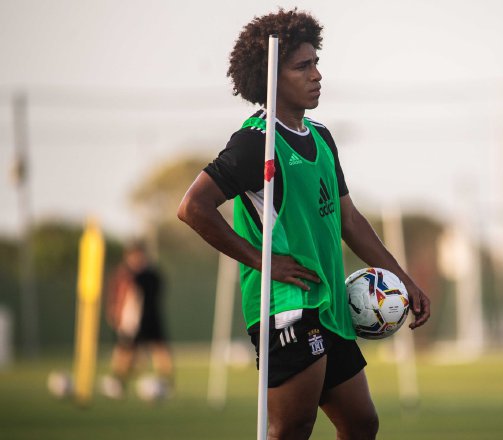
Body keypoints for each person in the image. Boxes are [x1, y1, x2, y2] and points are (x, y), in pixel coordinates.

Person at [177, 8, 430, 440]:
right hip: (287, 306)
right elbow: (193, 207)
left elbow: (349, 219)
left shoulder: (321, 137)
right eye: (303, 66)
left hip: (329, 302)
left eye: (316, 62)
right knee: (292, 427)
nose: (316, 74)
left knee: (361, 422)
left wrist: (402, 278)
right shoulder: (256, 142)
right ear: (272, 78)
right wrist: (265, 262)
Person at [101, 241, 173, 399]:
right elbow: (117, 295)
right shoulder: (124, 275)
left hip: (151, 318)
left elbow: (158, 291)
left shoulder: (152, 275)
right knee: (125, 352)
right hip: (131, 321)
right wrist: (115, 312)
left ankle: (167, 384)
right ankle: (118, 382)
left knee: (160, 349)